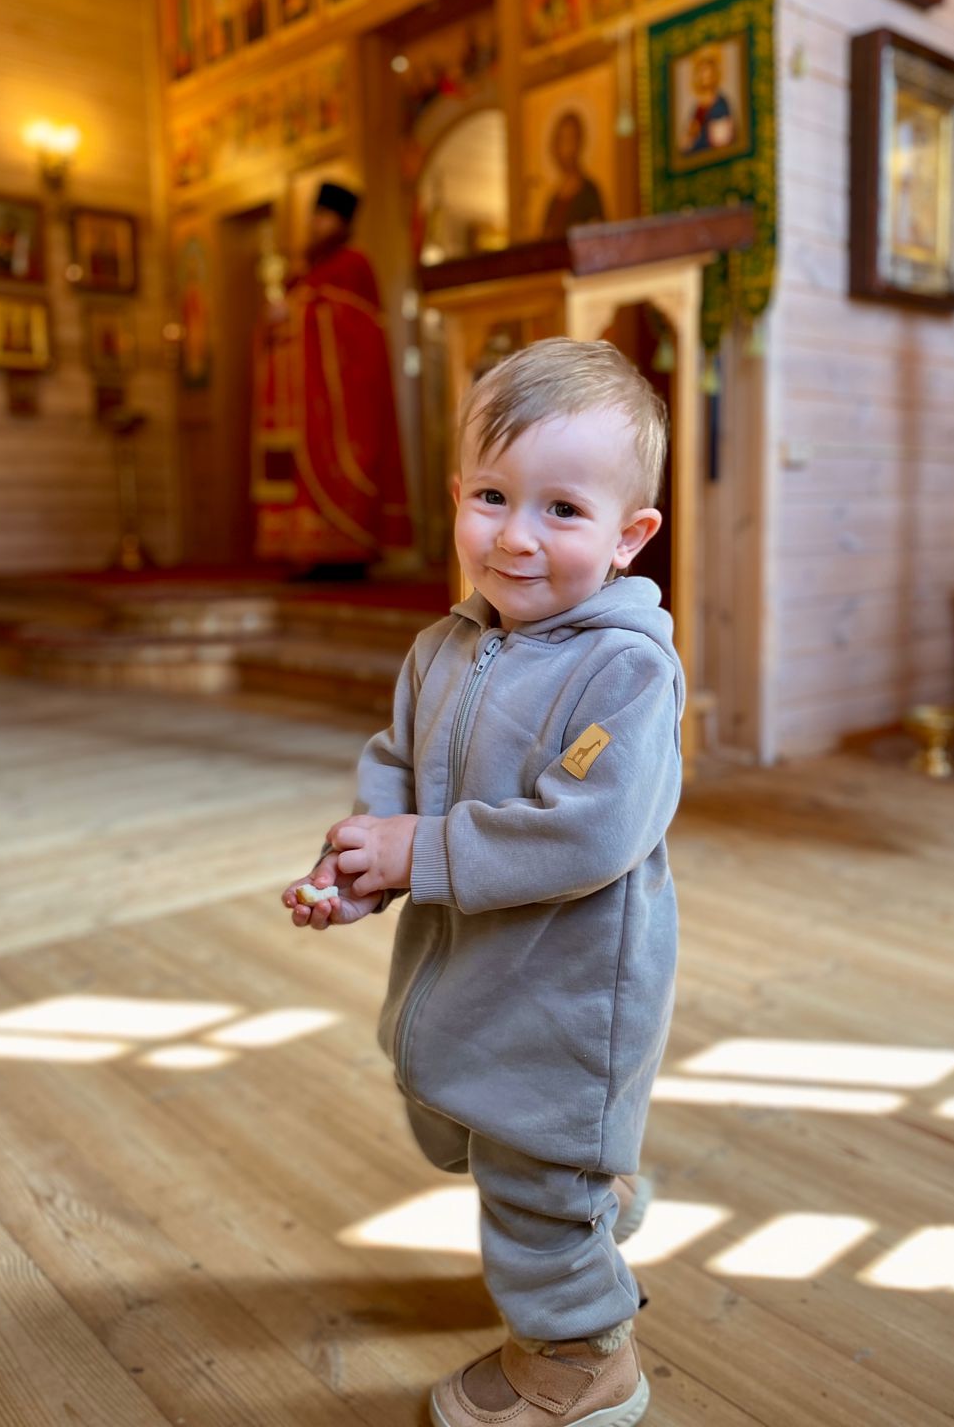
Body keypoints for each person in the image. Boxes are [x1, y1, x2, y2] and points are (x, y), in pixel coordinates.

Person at [281, 338, 683, 1427]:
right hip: (463, 974)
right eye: (494, 497)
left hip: (567, 994)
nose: (516, 536)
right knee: (463, 1120)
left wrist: (420, 850)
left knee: (530, 1167)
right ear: (458, 496)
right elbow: (397, 770)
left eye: (563, 510)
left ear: (628, 536)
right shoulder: (443, 647)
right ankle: (587, 1195)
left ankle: (580, 1358)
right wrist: (359, 866)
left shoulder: (626, 668)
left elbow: (589, 831)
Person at [251, 181, 411, 574]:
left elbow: (359, 332)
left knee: (339, 462)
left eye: (324, 217)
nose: (315, 224)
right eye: (314, 216)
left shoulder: (354, 266)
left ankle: (346, 552)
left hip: (340, 403)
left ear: (342, 222)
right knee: (298, 471)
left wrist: (299, 312)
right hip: (300, 404)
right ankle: (305, 550)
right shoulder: (305, 274)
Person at [540, 110, 606, 238]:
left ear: (580, 143)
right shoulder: (553, 201)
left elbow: (598, 235)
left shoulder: (590, 192)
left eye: (572, 140)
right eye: (563, 141)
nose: (568, 149)